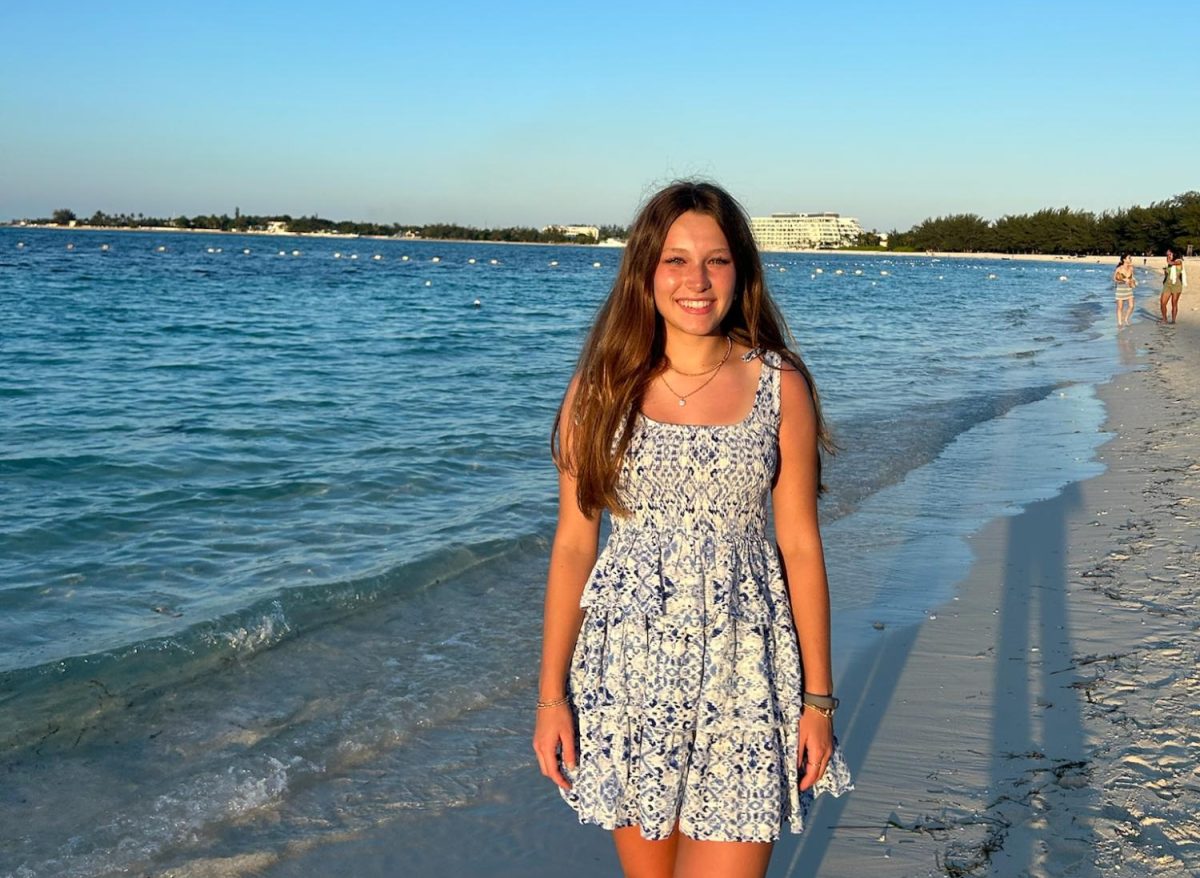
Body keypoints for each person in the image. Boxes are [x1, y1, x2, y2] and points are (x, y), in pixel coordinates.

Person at [532, 181, 852, 878]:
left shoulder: (779, 384)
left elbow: (799, 545)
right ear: (645, 272)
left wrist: (819, 701)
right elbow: (573, 547)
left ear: (741, 272)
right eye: (675, 260)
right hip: (628, 673)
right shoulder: (598, 390)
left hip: (745, 673)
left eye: (716, 260)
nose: (697, 281)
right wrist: (551, 699)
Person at [1160, 249, 1187, 324]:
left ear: (1174, 254)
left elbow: (1171, 262)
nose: (1168, 256)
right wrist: (1165, 271)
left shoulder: (1179, 261)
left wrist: (1168, 260)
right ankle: (1164, 319)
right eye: (1167, 255)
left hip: (1176, 285)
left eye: (1169, 254)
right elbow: (1168, 274)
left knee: (1174, 303)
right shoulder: (1170, 263)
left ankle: (1173, 320)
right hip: (1167, 284)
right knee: (1162, 303)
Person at [1113, 253, 1137, 327]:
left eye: (1130, 258)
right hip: (1120, 290)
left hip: (1129, 289)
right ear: (1124, 260)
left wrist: (1134, 281)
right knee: (1120, 307)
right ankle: (1120, 323)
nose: (1130, 259)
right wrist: (1123, 280)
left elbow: (1132, 277)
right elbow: (1114, 279)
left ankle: (1126, 318)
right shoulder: (1119, 268)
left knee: (1131, 306)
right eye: (1129, 258)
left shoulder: (1131, 268)